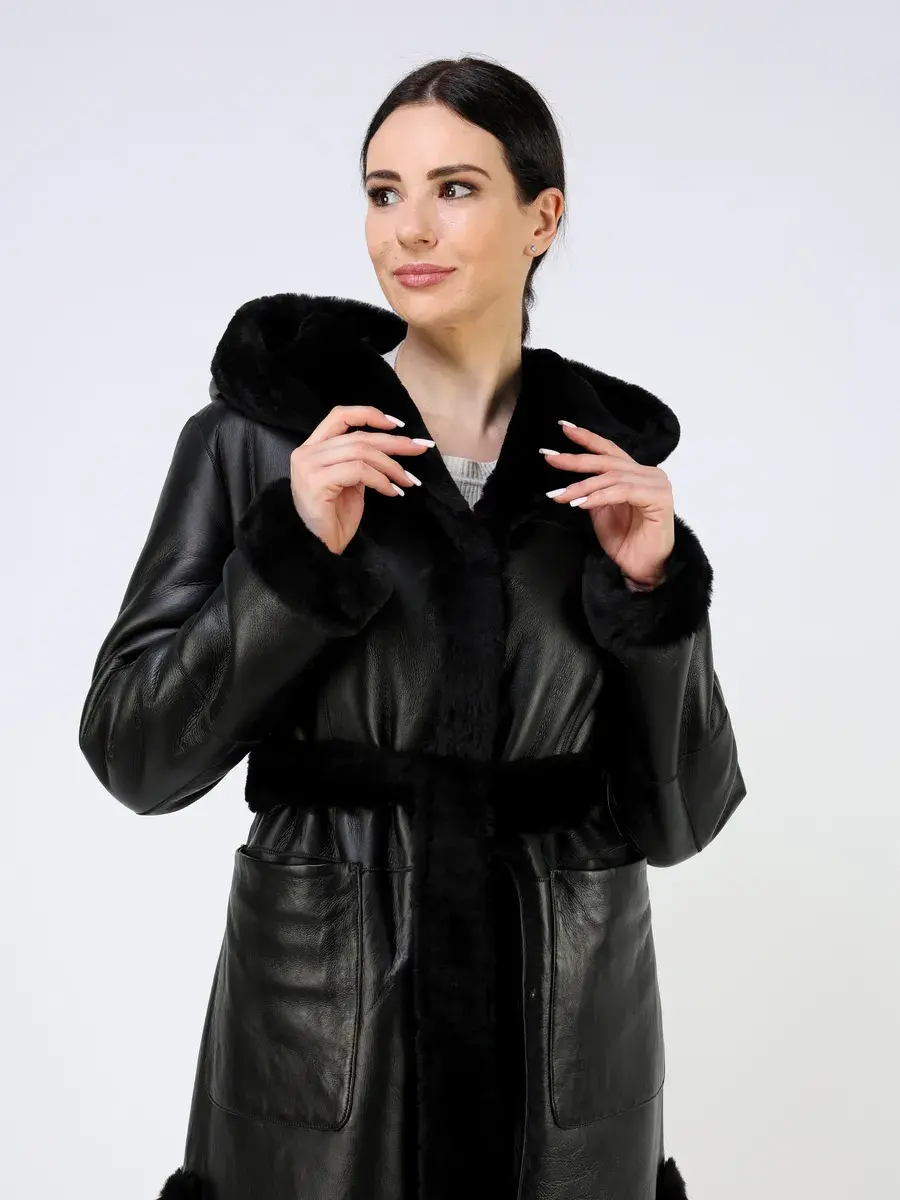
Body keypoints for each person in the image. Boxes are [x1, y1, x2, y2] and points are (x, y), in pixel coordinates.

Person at [78, 55, 747, 1200]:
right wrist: (293, 557)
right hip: (326, 1019)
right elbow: (136, 755)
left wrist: (654, 594)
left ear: (543, 218)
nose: (410, 228)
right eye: (383, 192)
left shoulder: (602, 472)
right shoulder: (264, 444)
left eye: (456, 188)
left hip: (569, 1030)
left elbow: (680, 821)